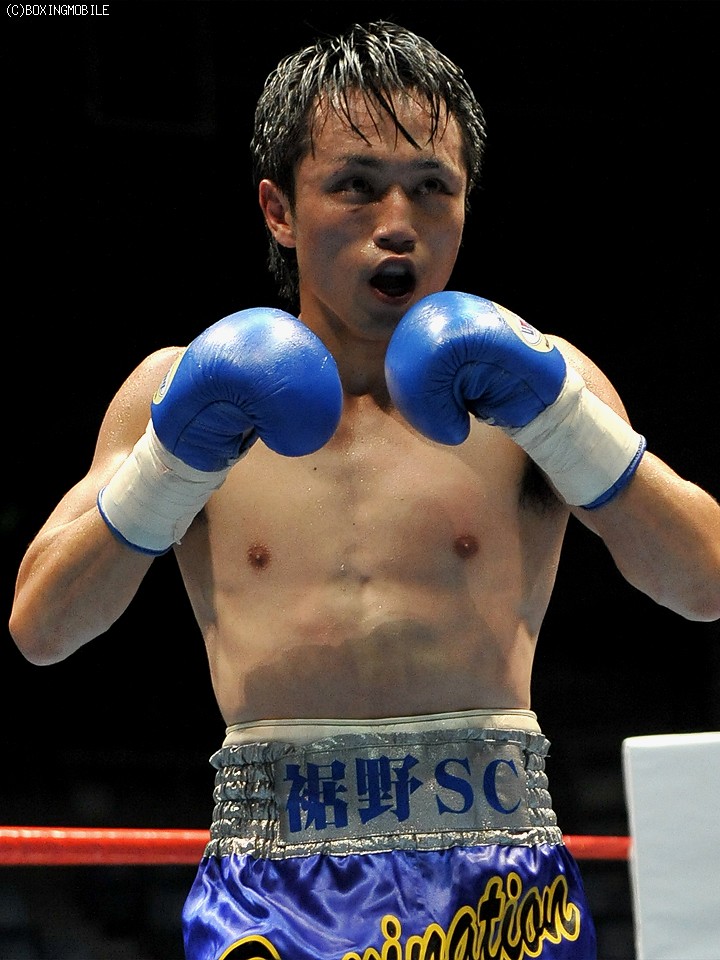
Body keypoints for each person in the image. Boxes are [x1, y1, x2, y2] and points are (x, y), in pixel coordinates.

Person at [9, 19, 720, 960]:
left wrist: (561, 419)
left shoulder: (542, 382)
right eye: (355, 184)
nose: (398, 221)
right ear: (278, 210)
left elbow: (704, 583)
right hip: (274, 896)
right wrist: (171, 462)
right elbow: (43, 628)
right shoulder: (178, 391)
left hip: (500, 889)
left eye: (433, 187)